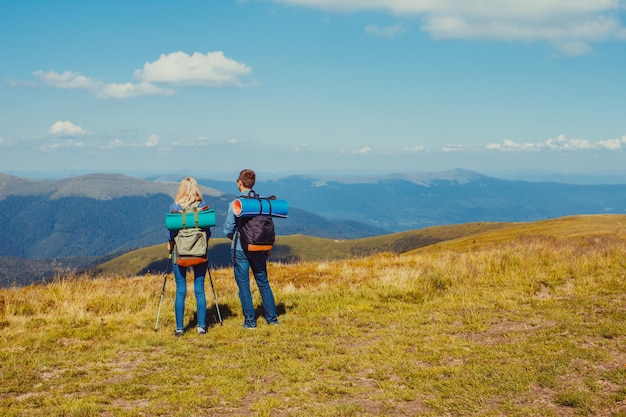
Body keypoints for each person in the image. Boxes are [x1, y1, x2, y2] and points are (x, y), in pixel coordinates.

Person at [223, 169, 279, 329]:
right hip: (259, 247)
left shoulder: (236, 204)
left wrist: (236, 238)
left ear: (239, 183)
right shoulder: (261, 202)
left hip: (240, 249)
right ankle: (272, 320)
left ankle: (250, 322)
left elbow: (228, 229)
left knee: (244, 285)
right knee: (263, 282)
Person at [167, 177, 211, 337]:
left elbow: (171, 231)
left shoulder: (175, 207)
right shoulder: (202, 207)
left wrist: (170, 243)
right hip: (200, 252)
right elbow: (208, 231)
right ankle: (201, 327)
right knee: (199, 289)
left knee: (181, 289)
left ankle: (179, 329)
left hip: (180, 253)